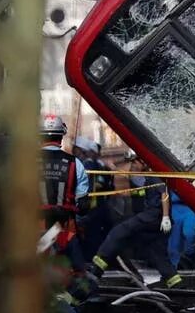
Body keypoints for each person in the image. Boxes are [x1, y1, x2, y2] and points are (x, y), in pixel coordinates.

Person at [92, 154, 181, 288]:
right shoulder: (145, 177)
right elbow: (130, 176)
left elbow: (165, 194)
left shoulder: (155, 174)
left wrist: (166, 217)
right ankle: (174, 281)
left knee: (118, 232)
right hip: (154, 219)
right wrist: (114, 168)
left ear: (144, 162)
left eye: (135, 163)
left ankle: (97, 268)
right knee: (156, 252)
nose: (133, 166)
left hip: (151, 216)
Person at [41, 115, 89, 272]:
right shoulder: (76, 163)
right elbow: (82, 205)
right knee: (76, 276)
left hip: (33, 229)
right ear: (61, 136)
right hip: (64, 229)